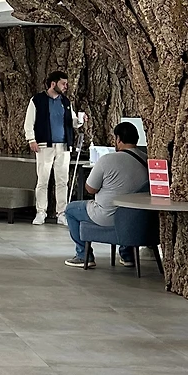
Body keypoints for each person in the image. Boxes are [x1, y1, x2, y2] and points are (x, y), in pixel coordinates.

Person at [64, 122, 148, 268]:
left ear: (118, 139)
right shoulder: (147, 160)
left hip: (106, 216)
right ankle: (127, 255)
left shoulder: (107, 160)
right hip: (137, 218)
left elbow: (90, 189)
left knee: (70, 209)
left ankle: (83, 255)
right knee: (127, 211)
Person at [25, 71, 82, 225]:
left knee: (62, 181)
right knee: (43, 180)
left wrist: (80, 121)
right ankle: (40, 212)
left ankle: (62, 213)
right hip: (44, 145)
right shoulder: (37, 100)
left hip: (63, 146)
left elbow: (73, 121)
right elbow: (29, 121)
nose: (66, 86)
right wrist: (31, 139)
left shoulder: (66, 101)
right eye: (63, 83)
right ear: (53, 84)